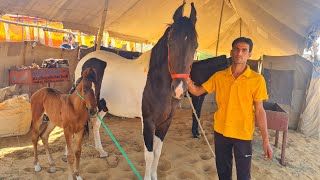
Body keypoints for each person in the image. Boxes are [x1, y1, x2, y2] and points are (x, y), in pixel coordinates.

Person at [186, 37, 273, 180]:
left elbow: (259, 110)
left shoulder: (257, 80)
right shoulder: (219, 76)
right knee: (223, 173)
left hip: (243, 134)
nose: (240, 53)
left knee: (244, 176)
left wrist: (265, 140)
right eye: (237, 49)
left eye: (244, 50)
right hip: (221, 132)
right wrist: (186, 79)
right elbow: (196, 91)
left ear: (249, 54)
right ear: (231, 52)